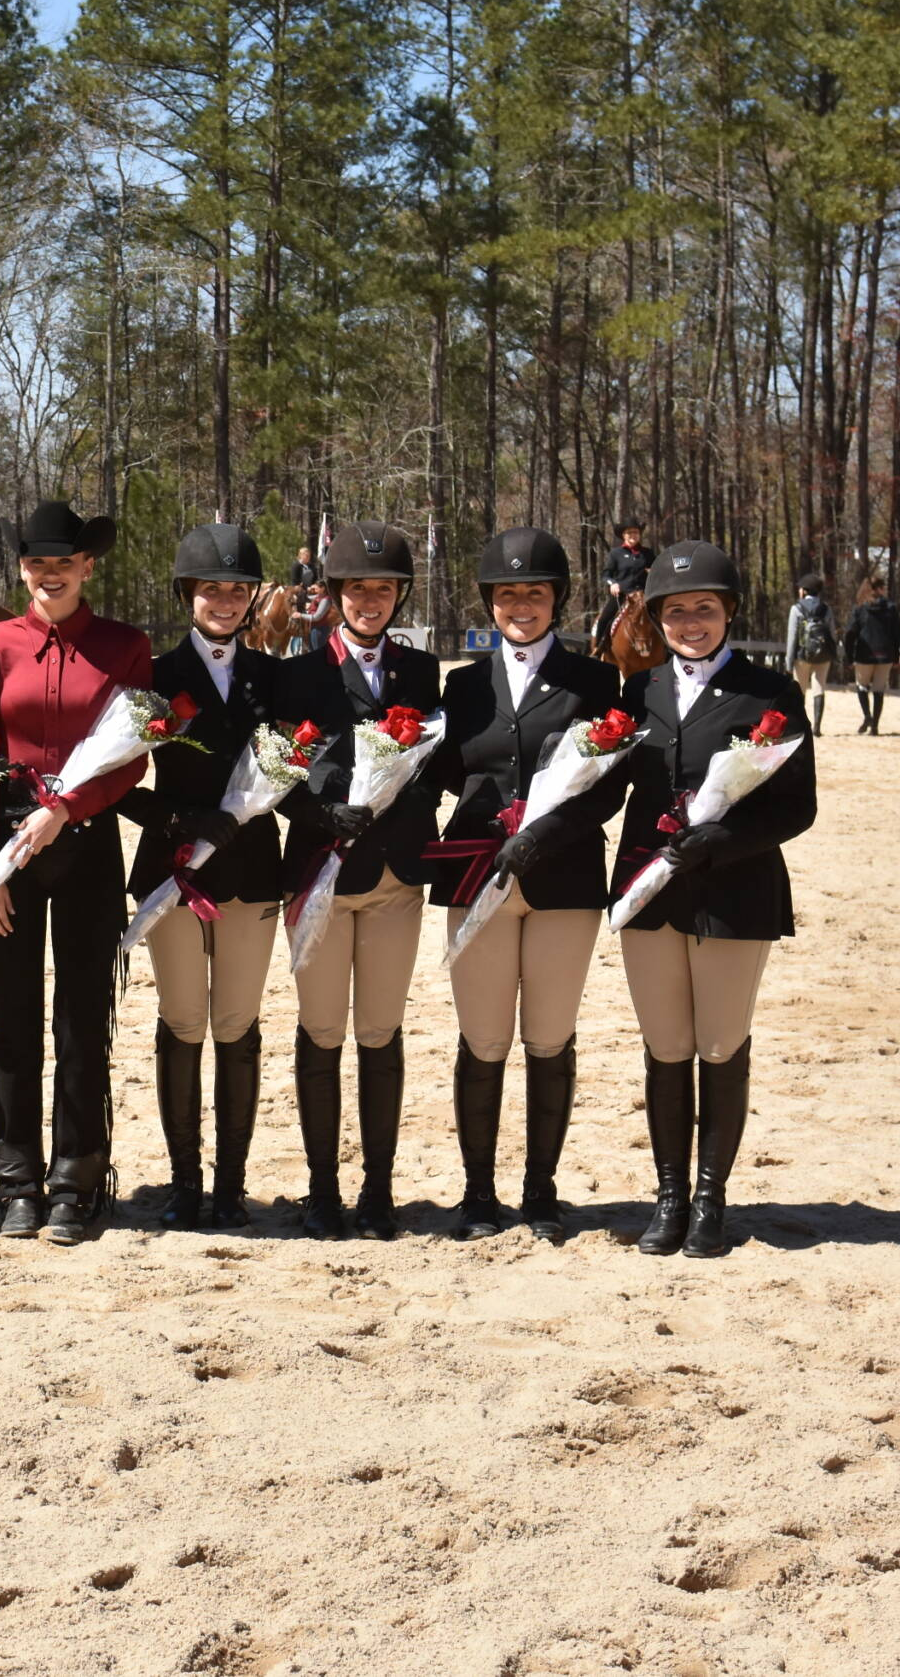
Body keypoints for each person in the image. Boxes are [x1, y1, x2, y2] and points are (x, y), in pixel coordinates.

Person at [599, 540, 816, 1258]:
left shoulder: (771, 693)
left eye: (704, 607)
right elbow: (604, 788)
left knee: (719, 1044)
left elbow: (796, 808)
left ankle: (711, 1200)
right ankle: (668, 1196)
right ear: (657, 617)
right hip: (649, 888)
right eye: (676, 609)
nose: (691, 621)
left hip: (734, 891)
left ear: (727, 612)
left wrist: (719, 842)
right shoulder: (638, 693)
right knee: (666, 1046)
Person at [424, 528, 621, 1242]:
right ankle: (478, 1192)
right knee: (482, 1037)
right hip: (475, 874)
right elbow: (443, 773)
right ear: (490, 602)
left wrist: (542, 835)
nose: (520, 605)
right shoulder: (463, 685)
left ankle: (540, 1191)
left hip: (563, 876)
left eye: (534, 592)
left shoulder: (595, 681)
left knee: (549, 1035)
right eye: (507, 594)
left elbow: (607, 787)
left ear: (556, 599)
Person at [0, 500, 152, 1247]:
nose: (51, 573)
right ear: (23, 568)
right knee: (10, 1018)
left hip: (86, 841)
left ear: (87, 567)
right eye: (38, 562)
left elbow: (132, 756)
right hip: (9, 841)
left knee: (82, 1019)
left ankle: (77, 1179)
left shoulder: (124, 645)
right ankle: (15, 1179)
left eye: (64, 562)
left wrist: (65, 809)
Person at [274, 520, 442, 1240]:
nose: (369, 600)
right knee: (320, 1027)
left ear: (398, 595)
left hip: (396, 878)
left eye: (383, 588)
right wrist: (319, 810)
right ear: (334, 594)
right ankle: (320, 1188)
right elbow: (273, 776)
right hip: (318, 874)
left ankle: (377, 1187)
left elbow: (437, 771)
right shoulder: (297, 674)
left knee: (379, 1029)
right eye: (356, 588)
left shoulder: (423, 672)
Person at [120, 523, 284, 1230]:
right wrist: (182, 820)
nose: (224, 599)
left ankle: (231, 1184)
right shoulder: (155, 677)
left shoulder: (273, 677)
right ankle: (186, 1181)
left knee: (237, 1021)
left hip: (251, 869)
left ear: (252, 599)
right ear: (187, 593)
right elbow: (118, 781)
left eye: (237, 588)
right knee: (183, 1018)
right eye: (211, 587)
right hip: (175, 870)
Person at [841, 573, 900, 734]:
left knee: (862, 687)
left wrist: (849, 656)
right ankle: (875, 726)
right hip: (885, 655)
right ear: (880, 589)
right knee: (879, 690)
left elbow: (850, 633)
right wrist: (896, 656)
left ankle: (867, 715)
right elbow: (898, 634)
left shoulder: (860, 608)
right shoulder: (891, 608)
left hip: (864, 654)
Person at [783, 573, 836, 735]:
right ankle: (817, 727)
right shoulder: (826, 609)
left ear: (805, 591)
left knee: (800, 689)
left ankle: (800, 724)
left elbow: (792, 637)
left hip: (802, 655)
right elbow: (832, 633)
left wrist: (789, 662)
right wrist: (832, 653)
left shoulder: (797, 609)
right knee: (819, 688)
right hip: (823, 655)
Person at [594, 517, 654, 645]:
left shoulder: (648, 553)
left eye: (636, 532)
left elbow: (655, 570)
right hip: (622, 596)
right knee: (604, 619)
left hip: (644, 597)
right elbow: (606, 574)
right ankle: (598, 649)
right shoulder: (616, 553)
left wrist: (652, 572)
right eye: (629, 532)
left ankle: (669, 653)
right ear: (623, 535)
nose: (633, 535)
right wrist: (613, 583)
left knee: (662, 617)